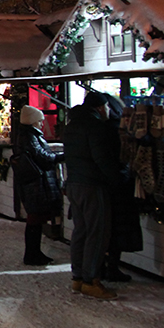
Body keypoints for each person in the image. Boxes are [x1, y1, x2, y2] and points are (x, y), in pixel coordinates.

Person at [62, 92, 123, 300]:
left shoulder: (72, 126)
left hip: (74, 184)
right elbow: (101, 158)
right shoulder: (95, 127)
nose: (109, 111)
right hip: (92, 185)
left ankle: (77, 277)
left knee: (81, 231)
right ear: (100, 107)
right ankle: (91, 280)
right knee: (97, 233)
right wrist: (116, 178)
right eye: (107, 107)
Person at [13, 105, 64, 264]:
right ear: (32, 121)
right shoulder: (30, 136)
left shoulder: (27, 135)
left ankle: (35, 253)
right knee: (35, 220)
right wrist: (60, 156)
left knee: (35, 220)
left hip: (33, 183)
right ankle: (32, 255)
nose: (42, 124)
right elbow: (42, 157)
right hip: (36, 184)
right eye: (39, 121)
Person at [100, 93, 141, 282]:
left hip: (104, 186)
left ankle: (102, 266)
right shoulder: (118, 131)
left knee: (104, 229)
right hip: (119, 186)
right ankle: (112, 267)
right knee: (117, 229)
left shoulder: (101, 129)